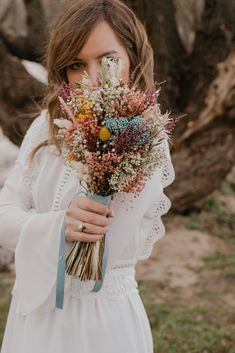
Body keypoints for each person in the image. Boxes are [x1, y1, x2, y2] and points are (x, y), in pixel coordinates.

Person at [0, 0, 175, 352]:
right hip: (33, 313)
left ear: (133, 60)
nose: (93, 78)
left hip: (99, 321)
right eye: (77, 65)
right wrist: (57, 225)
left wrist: (44, 226)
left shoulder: (145, 139)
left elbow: (98, 252)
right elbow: (3, 216)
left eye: (109, 60)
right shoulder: (44, 128)